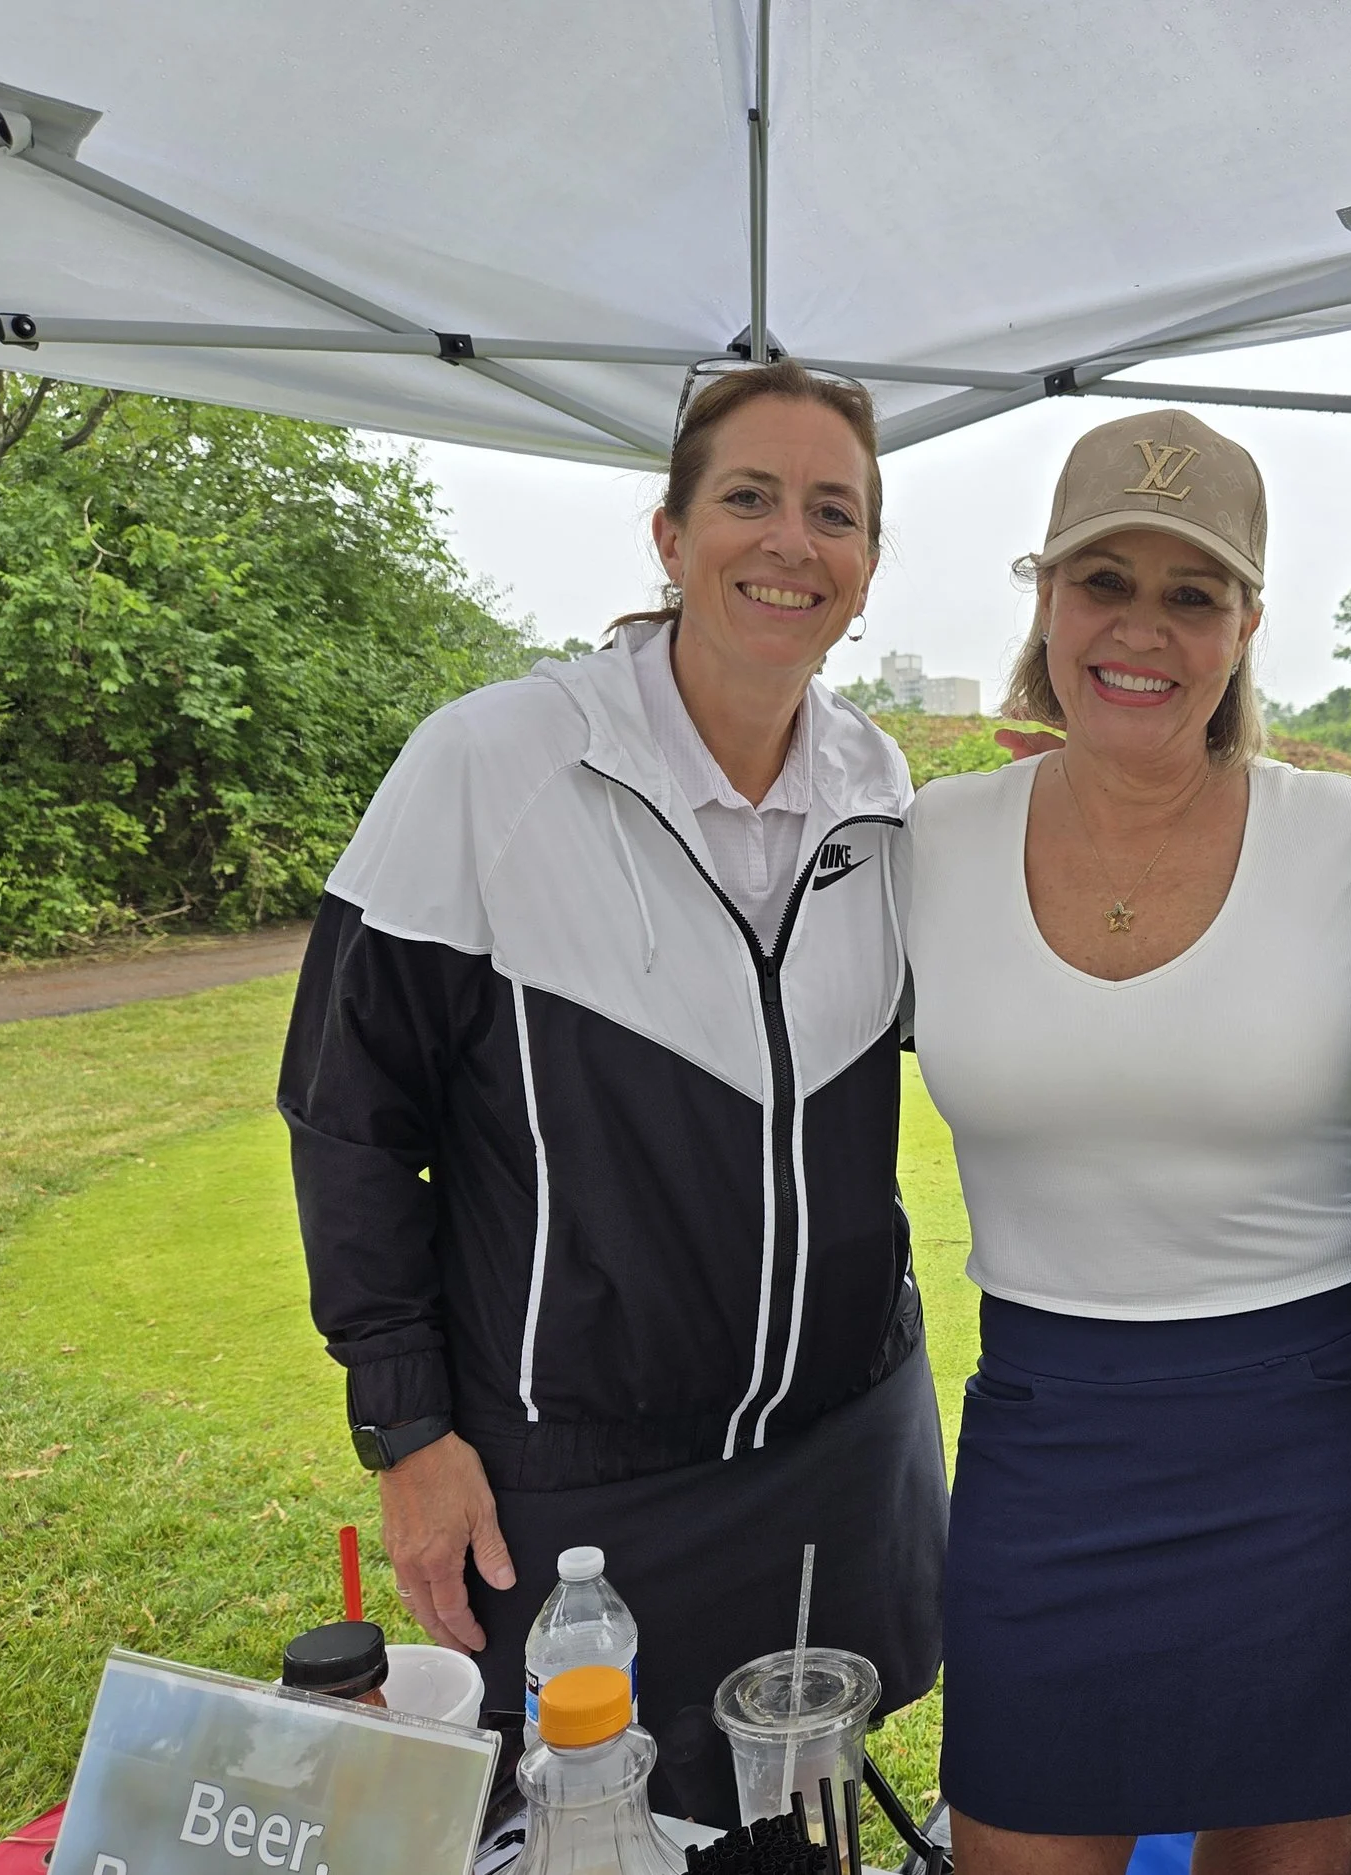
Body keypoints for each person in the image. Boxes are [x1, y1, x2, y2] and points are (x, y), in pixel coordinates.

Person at [279, 359, 946, 1823]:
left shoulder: (881, 784)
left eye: (834, 511)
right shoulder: (491, 760)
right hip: (575, 1482)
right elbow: (346, 1111)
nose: (791, 542)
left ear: (870, 563)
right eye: (749, 498)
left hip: (843, 1436)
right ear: (669, 533)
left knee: (804, 1814)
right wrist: (406, 1428)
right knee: (595, 1829)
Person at [900, 410, 1351, 1875]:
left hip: (1309, 1451)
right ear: (1045, 598)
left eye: (1194, 593)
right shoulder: (927, 845)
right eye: (1106, 580)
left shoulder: (1348, 843)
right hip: (1049, 1437)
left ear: (1244, 626)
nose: (1141, 630)